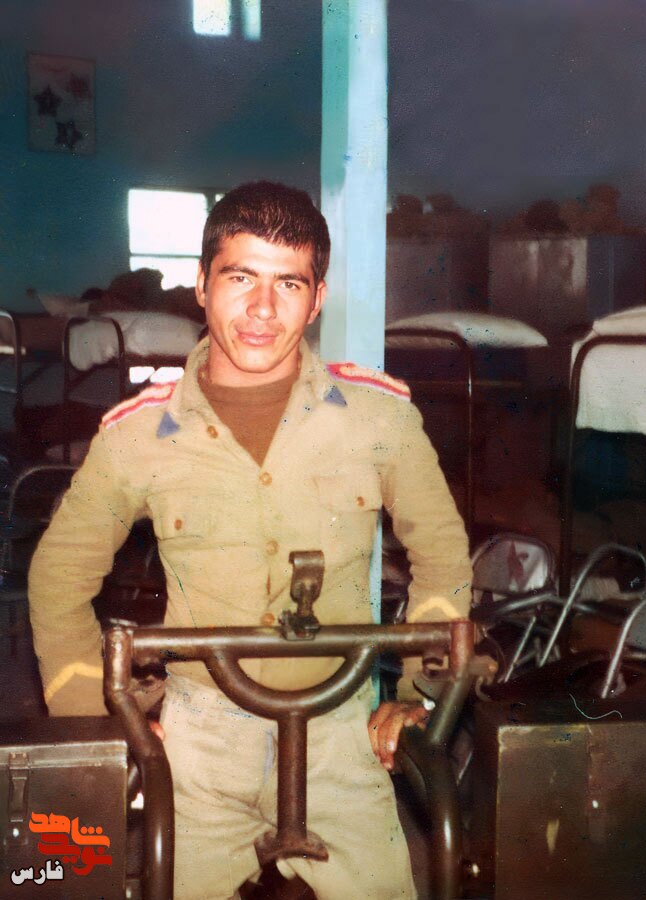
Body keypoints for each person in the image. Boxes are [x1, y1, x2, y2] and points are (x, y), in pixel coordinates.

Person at [28, 181, 473, 899]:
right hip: (200, 742)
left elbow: (442, 555)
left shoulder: (379, 420)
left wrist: (418, 698)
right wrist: (101, 722)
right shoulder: (140, 435)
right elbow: (58, 577)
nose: (263, 309)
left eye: (288, 284)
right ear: (202, 285)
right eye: (240, 278)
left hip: (340, 734)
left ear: (317, 298)